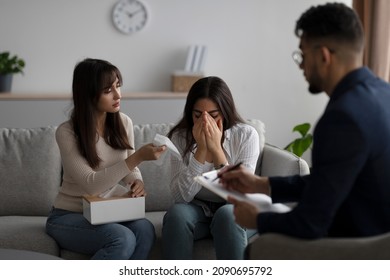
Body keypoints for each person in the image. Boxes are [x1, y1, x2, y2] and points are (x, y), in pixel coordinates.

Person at [221, 3, 390, 240]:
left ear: (323, 56)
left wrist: (257, 218)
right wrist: (261, 184)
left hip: (359, 249)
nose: (301, 65)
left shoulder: (342, 118)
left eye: (303, 54)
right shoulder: (382, 92)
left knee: (259, 248)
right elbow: (329, 181)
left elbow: (311, 223)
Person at [46, 58, 166, 260]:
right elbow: (91, 184)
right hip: (68, 215)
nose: (118, 95)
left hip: (106, 211)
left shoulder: (124, 122)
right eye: (108, 90)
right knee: (122, 238)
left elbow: (129, 167)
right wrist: (138, 158)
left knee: (145, 229)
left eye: (118, 86)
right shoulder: (67, 132)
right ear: (89, 94)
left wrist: (136, 182)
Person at [162, 76, 260, 259]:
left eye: (213, 116)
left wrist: (216, 150)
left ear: (224, 113)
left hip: (234, 209)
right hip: (196, 208)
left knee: (228, 216)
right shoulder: (179, 138)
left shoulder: (246, 135)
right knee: (177, 215)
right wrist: (200, 151)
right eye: (198, 115)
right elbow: (180, 197)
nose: (205, 122)